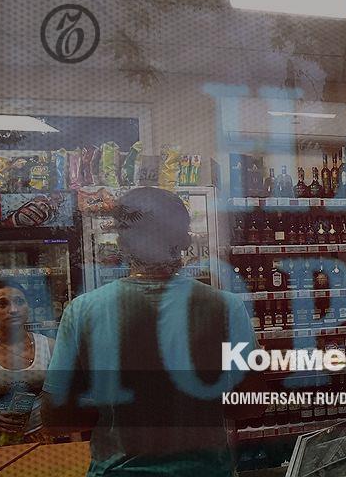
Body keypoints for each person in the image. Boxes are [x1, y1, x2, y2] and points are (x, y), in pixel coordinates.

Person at [42, 187, 263, 476]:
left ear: (122, 242)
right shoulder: (226, 307)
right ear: (184, 240)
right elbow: (249, 406)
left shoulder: (82, 310)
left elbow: (56, 417)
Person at [0, 279, 54, 447]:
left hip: (37, 442)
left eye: (19, 302)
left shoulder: (49, 347)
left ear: (28, 308)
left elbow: (65, 399)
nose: (13, 310)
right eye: (2, 304)